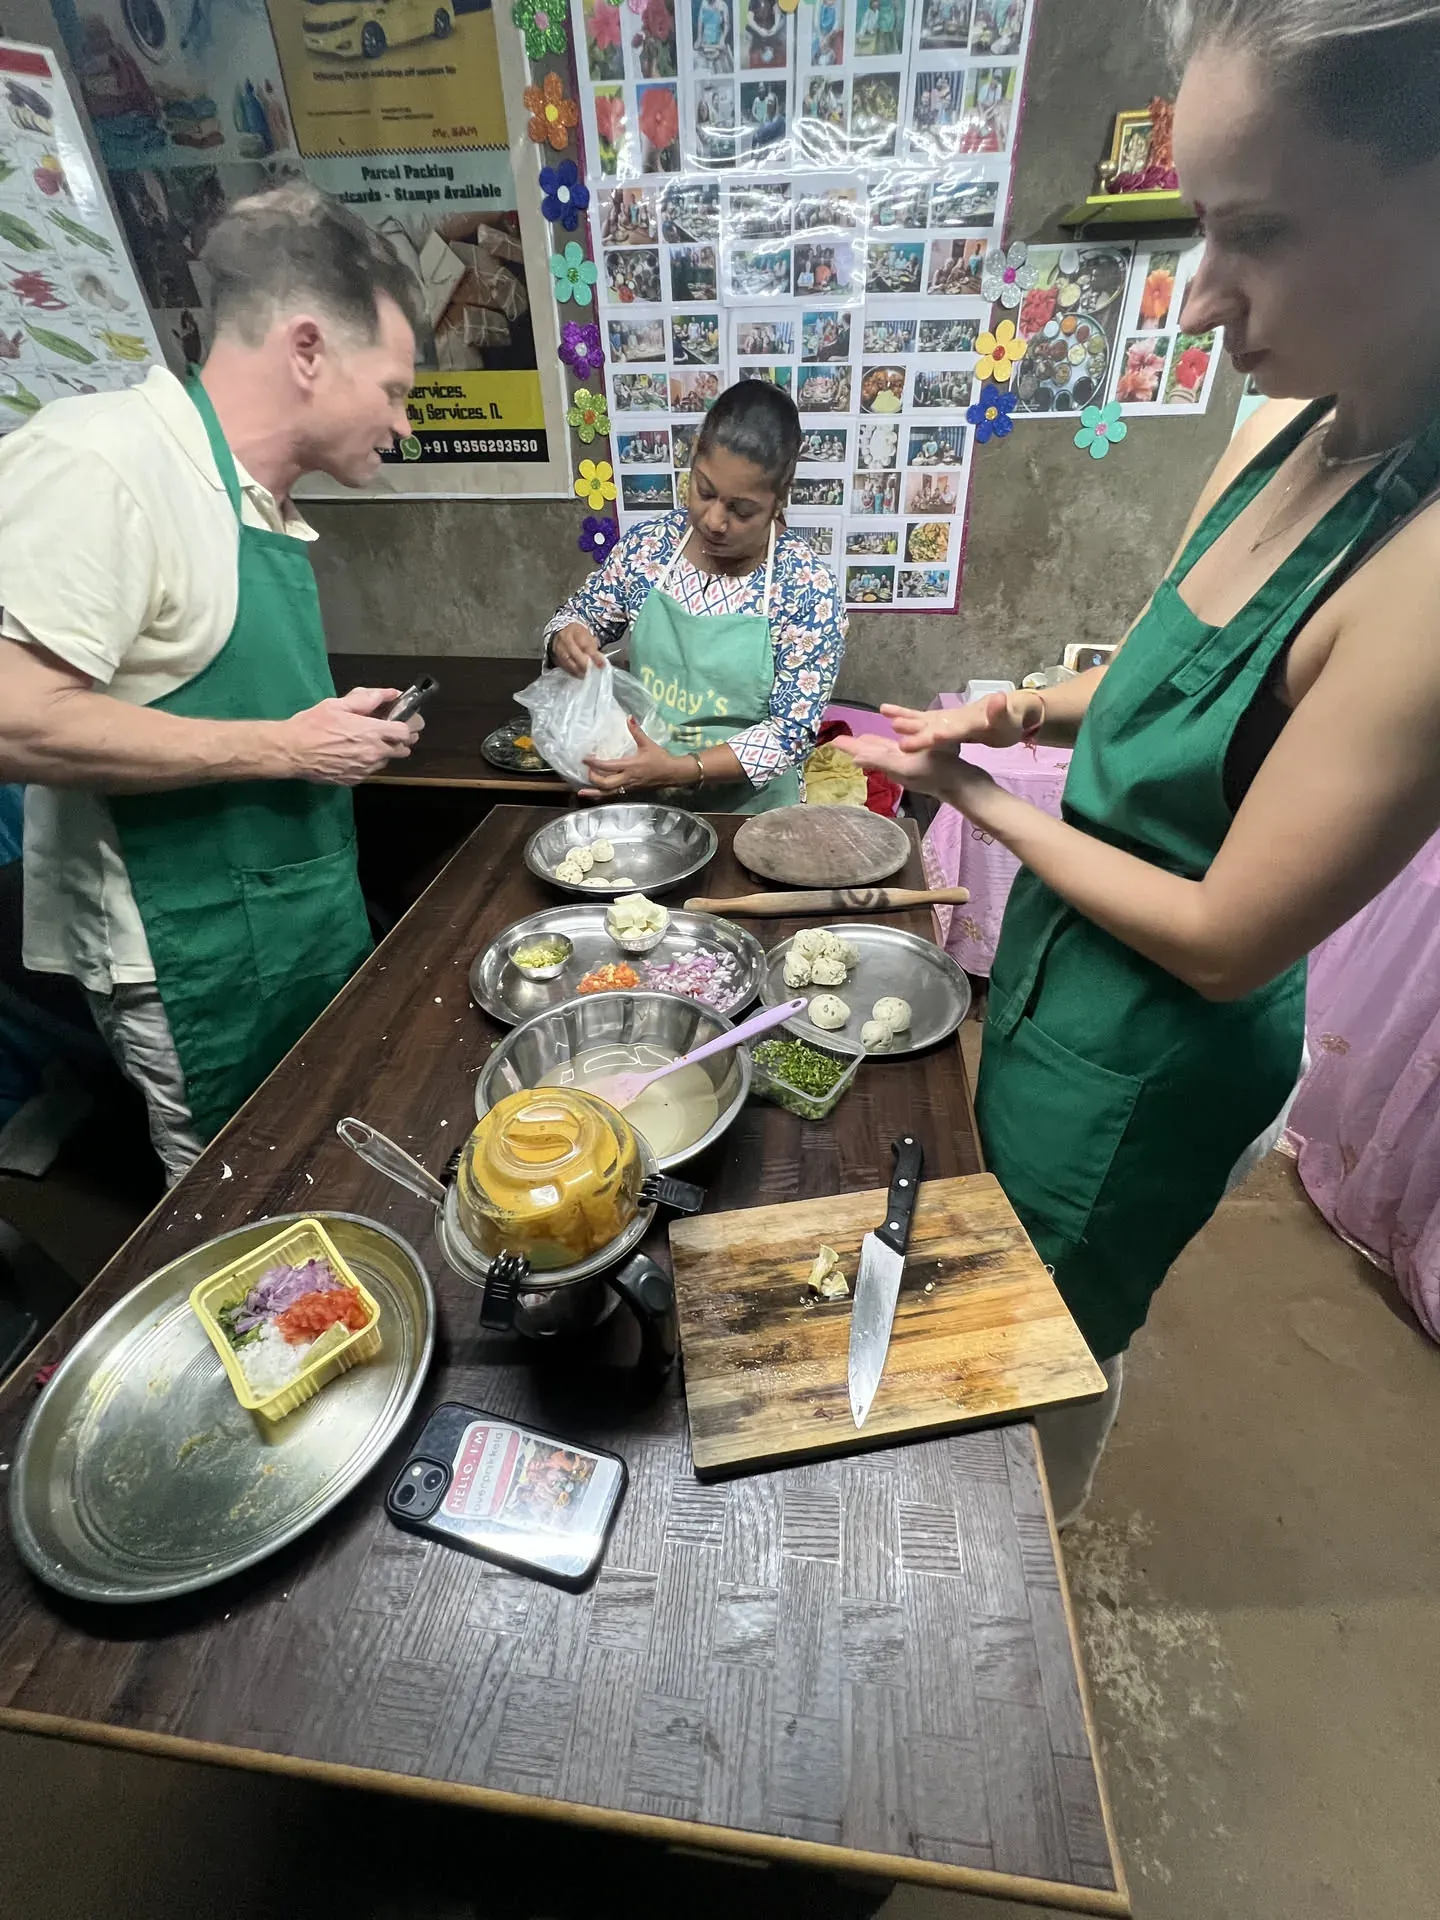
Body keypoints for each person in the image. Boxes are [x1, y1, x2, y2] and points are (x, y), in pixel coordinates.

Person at [842, 0, 1440, 1522]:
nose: (1196, 301)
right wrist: (1026, 714)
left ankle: (1016, 1577)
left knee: (1041, 1355)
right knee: (982, 1297)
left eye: (1261, 232)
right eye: (1197, 226)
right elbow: (1182, 678)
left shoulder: (1424, 578)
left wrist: (970, 802)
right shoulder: (1286, 431)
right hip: (1060, 971)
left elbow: (1231, 938)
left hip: (1160, 1044)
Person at [0, 183, 425, 1182]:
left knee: (327, 1160)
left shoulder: (249, 502)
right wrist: (287, 746)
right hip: (194, 953)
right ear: (309, 350)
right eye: (397, 391)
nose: (403, 427)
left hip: (292, 921)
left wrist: (316, 728)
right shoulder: (103, 461)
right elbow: (17, 719)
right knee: (241, 1201)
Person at [545, 381, 845, 812]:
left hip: (749, 816)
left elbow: (790, 733)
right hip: (642, 799)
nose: (715, 521)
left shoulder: (805, 588)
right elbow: (577, 615)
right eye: (703, 491)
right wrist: (565, 638)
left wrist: (679, 768)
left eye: (742, 510)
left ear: (780, 498)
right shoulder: (650, 548)